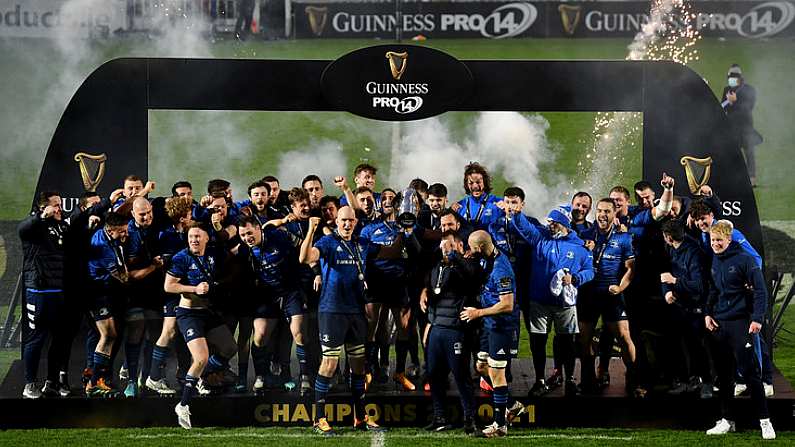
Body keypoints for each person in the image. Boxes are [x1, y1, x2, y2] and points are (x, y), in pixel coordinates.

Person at [299, 208, 386, 436]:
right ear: (336, 221)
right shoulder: (327, 242)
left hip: (356, 312)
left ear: (356, 221)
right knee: (330, 364)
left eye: (350, 220)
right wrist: (310, 230)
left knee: (358, 365)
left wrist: (405, 232)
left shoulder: (362, 243)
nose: (347, 224)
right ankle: (319, 419)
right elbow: (304, 258)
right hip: (332, 311)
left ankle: (360, 416)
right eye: (343, 220)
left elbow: (392, 251)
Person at [506, 205, 594, 397]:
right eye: (549, 222)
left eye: (553, 223)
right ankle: (539, 381)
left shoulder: (580, 246)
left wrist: (576, 279)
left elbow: (590, 271)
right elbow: (524, 227)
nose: (550, 225)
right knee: (538, 342)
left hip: (565, 305)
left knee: (567, 343)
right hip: (539, 302)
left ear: (563, 223)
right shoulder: (540, 239)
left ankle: (570, 380)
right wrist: (516, 213)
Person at [704, 221, 775, 440]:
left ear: (729, 239)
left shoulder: (745, 260)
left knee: (751, 374)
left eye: (719, 240)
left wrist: (756, 319)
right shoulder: (715, 259)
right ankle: (727, 421)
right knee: (723, 377)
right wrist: (708, 313)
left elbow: (761, 292)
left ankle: (765, 422)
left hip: (741, 324)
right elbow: (714, 290)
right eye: (713, 240)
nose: (715, 244)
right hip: (719, 324)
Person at [168, 222, 237, 429]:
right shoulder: (181, 257)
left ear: (207, 238)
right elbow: (169, 285)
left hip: (207, 312)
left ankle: (202, 374)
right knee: (200, 357)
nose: (194, 240)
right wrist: (194, 288)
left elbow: (232, 247)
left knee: (229, 348)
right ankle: (183, 404)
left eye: (198, 236)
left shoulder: (214, 254)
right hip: (188, 313)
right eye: (191, 237)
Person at [237, 215, 309, 394]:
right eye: (243, 235)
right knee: (260, 335)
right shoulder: (245, 251)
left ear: (258, 228)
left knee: (298, 332)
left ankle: (304, 376)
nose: (247, 238)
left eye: (249, 233)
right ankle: (261, 375)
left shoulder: (278, 236)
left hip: (290, 291)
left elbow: (302, 251)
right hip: (266, 296)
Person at [420, 230, 481, 434]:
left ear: (460, 246)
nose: (445, 249)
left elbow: (471, 278)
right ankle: (439, 417)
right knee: (434, 375)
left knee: (461, 376)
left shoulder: (469, 265)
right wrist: (430, 324)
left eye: (450, 245)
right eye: (443, 245)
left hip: (457, 331)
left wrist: (454, 255)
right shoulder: (437, 267)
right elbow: (433, 297)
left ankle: (469, 419)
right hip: (437, 329)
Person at [460, 230, 518, 438]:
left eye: (473, 248)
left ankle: (500, 425)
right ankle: (512, 404)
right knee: (482, 367)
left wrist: (477, 313)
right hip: (489, 324)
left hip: (502, 326)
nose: (471, 251)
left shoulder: (502, 270)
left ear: (481, 248)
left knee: (497, 373)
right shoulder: (487, 259)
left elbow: (507, 304)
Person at [578, 198, 636, 393]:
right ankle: (587, 378)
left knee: (624, 337)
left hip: (612, 296)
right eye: (600, 211)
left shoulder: (623, 238)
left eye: (607, 212)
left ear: (614, 214)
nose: (603, 215)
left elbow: (631, 268)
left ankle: (633, 377)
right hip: (588, 294)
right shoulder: (585, 234)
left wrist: (620, 288)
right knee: (584, 340)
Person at [18, 192, 70, 399]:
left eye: (60, 204)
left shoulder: (61, 226)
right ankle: (30, 384)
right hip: (38, 291)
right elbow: (22, 228)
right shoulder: (34, 226)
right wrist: (40, 217)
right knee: (37, 338)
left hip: (59, 291)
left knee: (59, 340)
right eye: (55, 205)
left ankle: (52, 382)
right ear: (43, 208)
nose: (59, 208)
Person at [145, 196, 193, 395]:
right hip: (172, 291)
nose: (192, 217)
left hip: (182, 290)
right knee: (170, 331)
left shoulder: (183, 232)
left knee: (179, 332)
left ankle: (182, 375)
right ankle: (154, 377)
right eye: (189, 214)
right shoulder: (167, 236)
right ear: (182, 218)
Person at [660, 219, 712, 398]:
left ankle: (706, 383)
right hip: (678, 306)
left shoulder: (694, 253)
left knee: (698, 348)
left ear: (668, 237)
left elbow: (699, 286)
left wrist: (675, 282)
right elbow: (664, 274)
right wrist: (667, 292)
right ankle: (686, 381)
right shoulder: (669, 249)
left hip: (695, 309)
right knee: (679, 347)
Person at [86, 212, 131, 398]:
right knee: (107, 335)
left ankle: (97, 379)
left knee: (111, 334)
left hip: (102, 292)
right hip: (96, 293)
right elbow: (122, 277)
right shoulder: (103, 246)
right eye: (121, 232)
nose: (125, 235)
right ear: (111, 231)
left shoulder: (104, 234)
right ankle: (94, 382)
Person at [721, 64, 763, 187]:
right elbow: (722, 107)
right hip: (732, 127)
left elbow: (748, 107)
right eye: (729, 76)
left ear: (740, 77)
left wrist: (735, 101)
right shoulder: (727, 90)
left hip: (746, 127)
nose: (730, 79)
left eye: (733, 76)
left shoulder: (750, 90)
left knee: (749, 153)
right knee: (733, 154)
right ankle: (735, 179)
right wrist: (729, 101)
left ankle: (752, 179)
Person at [453, 162, 501, 231]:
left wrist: (509, 210)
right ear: (466, 184)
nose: (475, 186)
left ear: (485, 182)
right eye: (471, 183)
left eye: (478, 182)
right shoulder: (459, 206)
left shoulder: (497, 202)